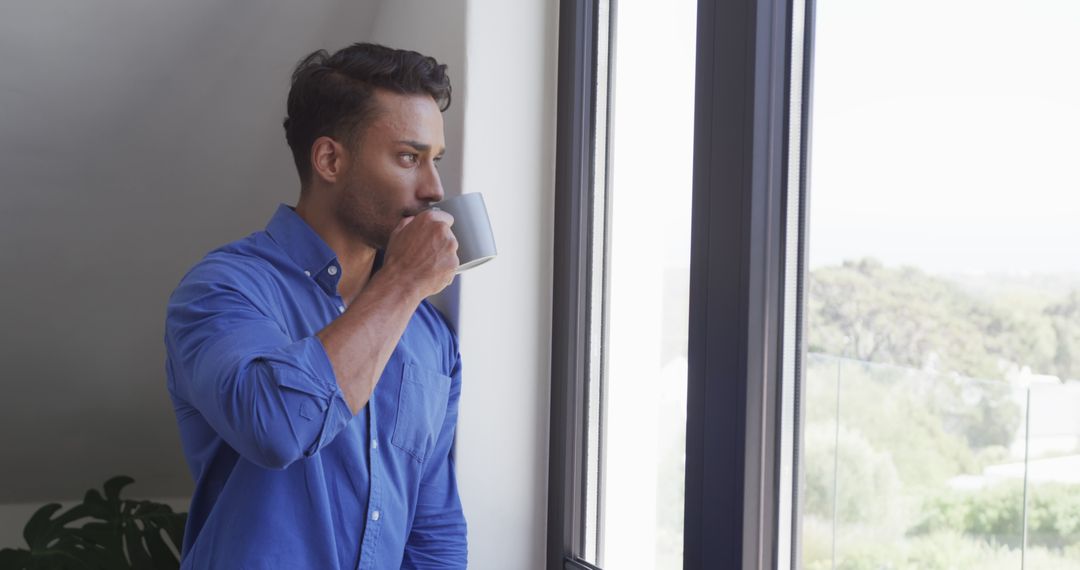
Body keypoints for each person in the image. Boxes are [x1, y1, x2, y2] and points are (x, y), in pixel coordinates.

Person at [164, 43, 467, 569]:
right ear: (329, 159)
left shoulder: (429, 335)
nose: (434, 189)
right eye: (407, 158)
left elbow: (431, 527)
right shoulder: (221, 291)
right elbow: (277, 427)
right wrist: (400, 285)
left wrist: (403, 291)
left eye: (434, 161)